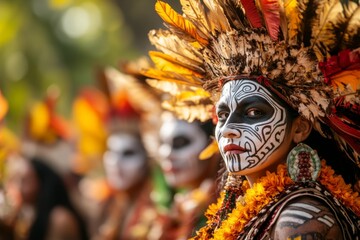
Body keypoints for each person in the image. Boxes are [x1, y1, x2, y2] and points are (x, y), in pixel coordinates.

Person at [142, 0, 360, 239]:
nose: (228, 130)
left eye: (254, 113)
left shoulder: (301, 218)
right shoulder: (248, 205)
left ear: (299, 128)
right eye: (223, 115)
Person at [91, 67, 166, 240]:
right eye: (111, 152)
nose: (115, 162)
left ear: (148, 158)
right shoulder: (109, 205)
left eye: (128, 153)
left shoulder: (161, 209)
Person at [153, 112, 221, 239]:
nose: (166, 154)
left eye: (180, 143)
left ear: (213, 145)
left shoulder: (224, 211)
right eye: (162, 143)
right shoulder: (178, 208)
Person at [3, 155, 88, 240]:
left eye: (24, 181)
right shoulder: (31, 216)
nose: (19, 187)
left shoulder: (60, 219)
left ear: (42, 183)